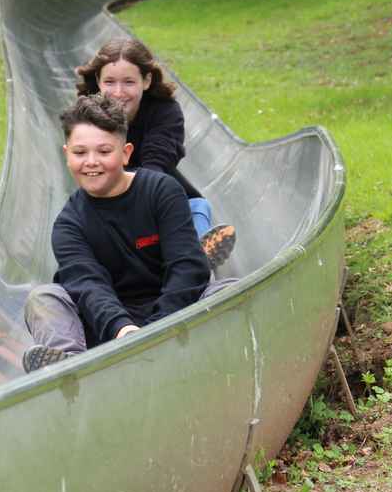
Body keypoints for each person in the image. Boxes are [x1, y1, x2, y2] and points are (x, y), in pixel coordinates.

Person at [21, 94, 234, 372]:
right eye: (80, 153)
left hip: (174, 313)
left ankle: (218, 354)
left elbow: (185, 265)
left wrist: (156, 329)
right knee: (43, 298)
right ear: (67, 154)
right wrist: (123, 330)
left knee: (228, 290)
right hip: (110, 330)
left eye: (104, 151)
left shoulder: (161, 191)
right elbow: (88, 285)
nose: (91, 162)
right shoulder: (69, 224)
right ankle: (71, 369)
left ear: (125, 153)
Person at [75, 36, 234, 268]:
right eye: (110, 82)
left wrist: (145, 205)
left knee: (198, 206)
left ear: (146, 81)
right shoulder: (87, 116)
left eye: (129, 82)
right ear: (98, 81)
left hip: (155, 193)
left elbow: (157, 161)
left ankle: (198, 256)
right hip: (108, 200)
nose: (118, 92)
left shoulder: (165, 112)